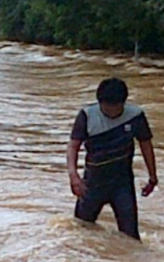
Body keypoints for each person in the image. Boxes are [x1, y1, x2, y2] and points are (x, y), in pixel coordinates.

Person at [67, 78, 157, 240]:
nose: (111, 111)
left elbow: (146, 145)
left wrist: (152, 177)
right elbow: (73, 146)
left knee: (131, 237)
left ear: (123, 103)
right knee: (81, 231)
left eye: (116, 107)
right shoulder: (87, 115)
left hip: (122, 184)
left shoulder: (135, 116)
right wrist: (74, 177)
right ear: (100, 102)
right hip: (93, 184)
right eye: (106, 107)